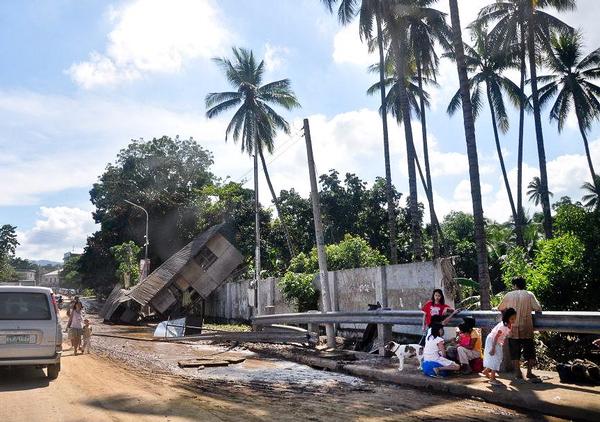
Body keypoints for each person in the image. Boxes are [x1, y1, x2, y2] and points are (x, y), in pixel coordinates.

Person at [498, 277, 542, 381]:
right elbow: (537, 308)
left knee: (514, 352)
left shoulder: (508, 295)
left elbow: (500, 308)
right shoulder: (529, 294)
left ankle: (518, 373)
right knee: (530, 351)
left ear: (515, 285)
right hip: (526, 326)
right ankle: (529, 372)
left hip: (512, 327)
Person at [483, 308, 517, 386]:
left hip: (496, 341)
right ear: (507, 317)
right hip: (493, 341)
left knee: (497, 358)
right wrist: (493, 348)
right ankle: (492, 379)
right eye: (512, 318)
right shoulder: (503, 326)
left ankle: (486, 371)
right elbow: (496, 337)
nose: (513, 320)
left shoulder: (508, 324)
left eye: (515, 318)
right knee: (496, 358)